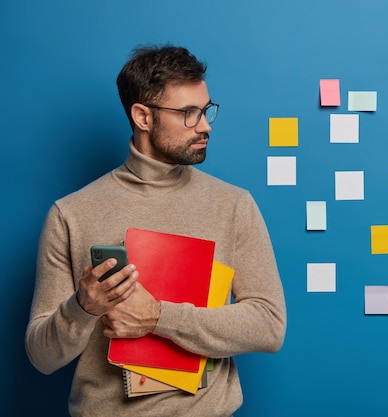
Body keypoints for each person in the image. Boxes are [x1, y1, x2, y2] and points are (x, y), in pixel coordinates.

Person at [25, 45, 287, 417]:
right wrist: (82, 307)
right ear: (143, 117)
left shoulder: (233, 205)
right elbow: (42, 357)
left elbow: (269, 325)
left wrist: (159, 317)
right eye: (188, 113)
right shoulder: (70, 214)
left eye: (206, 109)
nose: (205, 125)